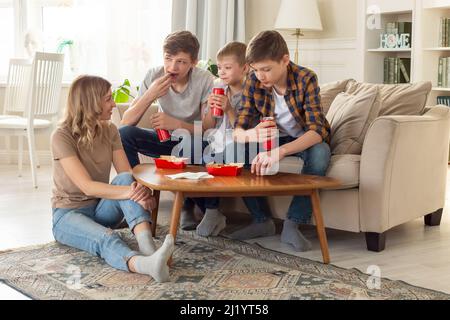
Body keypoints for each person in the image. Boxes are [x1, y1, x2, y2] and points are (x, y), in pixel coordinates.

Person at [51, 75, 174, 283]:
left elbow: (126, 175)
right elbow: (87, 187)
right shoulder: (62, 136)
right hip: (68, 214)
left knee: (126, 179)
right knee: (107, 237)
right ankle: (145, 265)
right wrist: (132, 193)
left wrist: (139, 194)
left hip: (101, 208)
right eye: (108, 99)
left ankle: (148, 248)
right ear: (91, 102)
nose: (114, 103)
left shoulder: (110, 130)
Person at [231, 31, 332, 252]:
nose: (260, 76)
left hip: (304, 140)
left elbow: (317, 131)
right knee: (235, 151)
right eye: (256, 70)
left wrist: (281, 152)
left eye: (266, 69)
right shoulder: (253, 82)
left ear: (285, 60)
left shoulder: (306, 78)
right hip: (273, 139)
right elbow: (237, 130)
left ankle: (292, 224)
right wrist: (250, 135)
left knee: (321, 153)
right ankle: (261, 220)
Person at [119, 31, 216, 231]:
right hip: (166, 142)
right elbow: (126, 121)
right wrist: (150, 94)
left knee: (197, 144)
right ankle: (137, 199)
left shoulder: (204, 79)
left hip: (196, 142)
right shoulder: (154, 75)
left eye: (181, 61)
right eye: (168, 59)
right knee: (125, 134)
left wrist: (177, 124)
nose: (172, 67)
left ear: (193, 63)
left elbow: (208, 128)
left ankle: (187, 206)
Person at [195, 41, 274, 238]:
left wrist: (229, 109)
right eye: (220, 67)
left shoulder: (254, 92)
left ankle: (261, 220)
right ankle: (211, 212)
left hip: (248, 143)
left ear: (245, 68)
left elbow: (246, 133)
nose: (222, 72)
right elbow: (209, 125)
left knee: (222, 155)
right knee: (201, 153)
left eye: (228, 67)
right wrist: (211, 108)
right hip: (219, 140)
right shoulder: (219, 87)